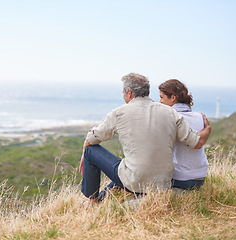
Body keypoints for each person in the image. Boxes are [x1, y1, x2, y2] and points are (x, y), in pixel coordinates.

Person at [79, 73, 211, 203]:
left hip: (134, 183)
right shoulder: (170, 112)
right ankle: (102, 197)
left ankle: (92, 201)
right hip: (163, 183)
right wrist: (207, 129)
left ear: (129, 93)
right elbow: (195, 141)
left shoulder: (119, 113)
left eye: (123, 92)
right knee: (131, 166)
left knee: (91, 151)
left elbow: (92, 137)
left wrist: (85, 154)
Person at [159, 79, 209, 190]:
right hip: (200, 177)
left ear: (173, 97)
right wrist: (208, 129)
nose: (160, 102)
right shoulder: (200, 117)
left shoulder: (170, 118)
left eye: (162, 97)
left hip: (180, 179)